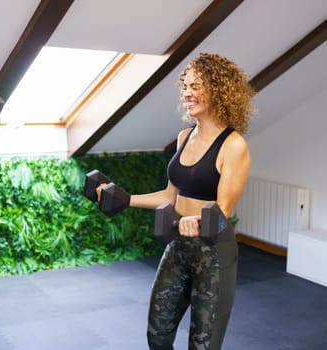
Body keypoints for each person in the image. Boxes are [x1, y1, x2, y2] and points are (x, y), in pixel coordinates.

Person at [99, 53, 255, 349]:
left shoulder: (233, 145)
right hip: (178, 247)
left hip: (213, 255)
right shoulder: (185, 136)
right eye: (186, 86)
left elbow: (222, 210)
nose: (187, 93)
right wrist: (123, 198)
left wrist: (194, 223)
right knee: (157, 335)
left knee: (202, 345)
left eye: (196, 87)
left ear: (218, 90)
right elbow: (170, 196)